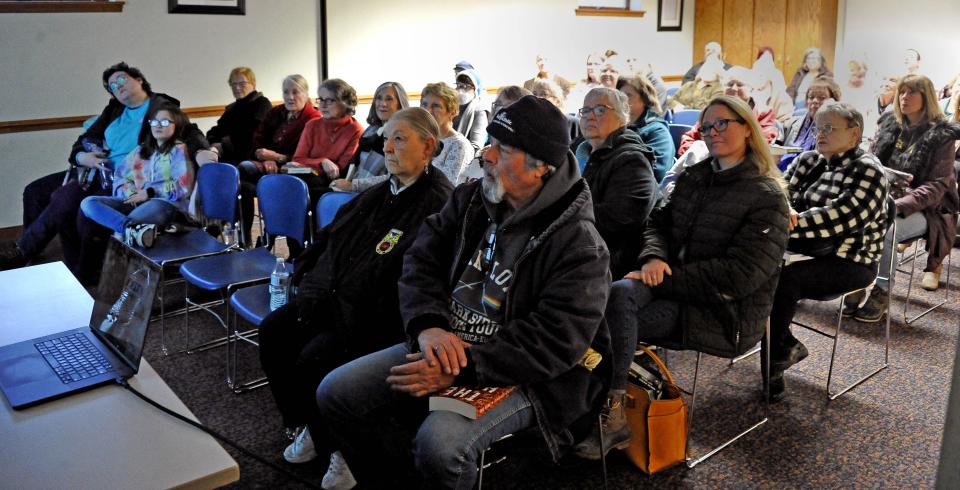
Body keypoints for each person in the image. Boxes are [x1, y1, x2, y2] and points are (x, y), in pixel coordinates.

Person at [315, 96, 612, 489]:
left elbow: (555, 342)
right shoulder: (472, 199)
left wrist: (461, 367)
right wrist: (428, 326)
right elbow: (420, 262)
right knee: (336, 392)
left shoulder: (579, 244)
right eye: (490, 142)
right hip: (443, 344)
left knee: (440, 445)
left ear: (541, 167)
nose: (486, 155)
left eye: (502, 149)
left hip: (520, 373)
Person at [581, 95, 789, 458]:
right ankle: (611, 410)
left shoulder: (767, 196)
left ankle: (606, 412)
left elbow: (739, 277)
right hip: (672, 286)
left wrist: (664, 276)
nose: (712, 132)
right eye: (706, 126)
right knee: (614, 296)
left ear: (747, 128)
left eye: (722, 123)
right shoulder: (696, 176)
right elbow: (656, 222)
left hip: (722, 311)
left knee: (606, 324)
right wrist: (653, 257)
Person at [257, 107, 453, 488]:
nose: (389, 148)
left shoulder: (438, 200)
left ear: (428, 146)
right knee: (274, 332)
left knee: (315, 358)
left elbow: (415, 275)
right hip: (335, 300)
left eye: (400, 138)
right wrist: (307, 273)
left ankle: (343, 448)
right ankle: (313, 424)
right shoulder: (381, 191)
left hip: (381, 316)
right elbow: (332, 239)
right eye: (387, 139)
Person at [0, 62, 213, 277]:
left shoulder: (160, 106)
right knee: (34, 191)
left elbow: (191, 132)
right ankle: (30, 254)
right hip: (96, 169)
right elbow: (85, 139)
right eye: (111, 86)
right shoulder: (114, 109)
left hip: (127, 176)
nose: (116, 87)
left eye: (121, 79)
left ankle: (72, 268)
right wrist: (83, 156)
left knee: (65, 199)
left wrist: (203, 151)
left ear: (139, 80)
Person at [769, 102, 889, 400]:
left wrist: (786, 222)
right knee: (757, 267)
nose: (820, 133)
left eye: (829, 128)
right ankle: (781, 345)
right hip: (803, 246)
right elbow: (783, 196)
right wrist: (786, 214)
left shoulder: (869, 172)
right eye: (818, 127)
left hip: (849, 260)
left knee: (783, 280)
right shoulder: (808, 161)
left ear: (854, 134)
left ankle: (772, 365)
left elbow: (840, 220)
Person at [852, 75, 960, 319]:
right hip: (884, 200)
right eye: (902, 92)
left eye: (912, 93)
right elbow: (870, 165)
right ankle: (858, 280)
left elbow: (935, 188)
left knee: (886, 228)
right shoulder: (890, 124)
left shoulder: (942, 134)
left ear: (927, 97)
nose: (904, 98)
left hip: (928, 210)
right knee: (853, 218)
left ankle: (881, 289)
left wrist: (895, 205)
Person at [574, 87, 658, 279]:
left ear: (622, 118)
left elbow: (620, 219)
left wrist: (565, 217)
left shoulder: (631, 159)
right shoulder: (578, 152)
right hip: (580, 246)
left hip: (611, 259)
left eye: (600, 110)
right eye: (585, 111)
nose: (590, 117)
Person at [80, 105, 196, 243]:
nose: (158, 126)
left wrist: (149, 192)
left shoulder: (180, 151)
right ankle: (131, 229)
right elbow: (120, 176)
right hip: (136, 200)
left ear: (177, 125)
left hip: (165, 204)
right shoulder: (140, 151)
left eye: (164, 122)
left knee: (121, 234)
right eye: (154, 122)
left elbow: (183, 186)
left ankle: (128, 231)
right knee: (88, 203)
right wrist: (131, 192)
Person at [236, 74, 320, 247]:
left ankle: (273, 237)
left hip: (292, 170)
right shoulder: (275, 112)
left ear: (306, 94)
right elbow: (257, 139)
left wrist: (276, 158)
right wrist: (264, 156)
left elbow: (302, 155)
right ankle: (245, 237)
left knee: (278, 188)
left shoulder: (312, 119)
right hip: (267, 166)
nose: (290, 97)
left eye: (295, 92)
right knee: (241, 175)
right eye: (286, 92)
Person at [287, 78, 363, 205]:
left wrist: (311, 164)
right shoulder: (312, 125)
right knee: (287, 184)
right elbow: (298, 159)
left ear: (344, 103)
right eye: (321, 99)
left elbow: (339, 170)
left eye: (329, 100)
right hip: (308, 178)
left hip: (334, 183)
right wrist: (322, 161)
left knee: (300, 191)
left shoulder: (355, 130)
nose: (322, 105)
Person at [677, 66, 779, 157]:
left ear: (751, 88)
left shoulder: (764, 113)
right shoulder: (712, 112)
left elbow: (761, 147)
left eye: (740, 84)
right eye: (729, 84)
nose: (734, 89)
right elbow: (689, 138)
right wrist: (698, 157)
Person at [330, 81, 409, 193]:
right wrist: (342, 182)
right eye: (379, 98)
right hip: (354, 189)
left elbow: (395, 178)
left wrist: (353, 185)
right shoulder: (371, 130)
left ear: (400, 104)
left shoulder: (402, 136)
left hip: (376, 195)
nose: (383, 103)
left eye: (389, 99)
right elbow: (354, 164)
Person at [205, 67, 273, 165]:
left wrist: (222, 145)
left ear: (253, 84)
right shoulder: (232, 108)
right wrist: (214, 143)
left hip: (251, 158)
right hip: (230, 156)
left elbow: (252, 134)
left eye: (242, 83)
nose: (237, 88)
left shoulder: (262, 103)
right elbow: (216, 130)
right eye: (233, 84)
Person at [617, 75, 675, 180]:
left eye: (628, 95)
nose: (622, 100)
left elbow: (657, 172)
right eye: (620, 95)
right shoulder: (614, 129)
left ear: (645, 99)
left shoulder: (658, 132)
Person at [778, 77, 842, 170]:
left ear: (833, 101)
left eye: (822, 98)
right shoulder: (790, 124)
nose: (815, 101)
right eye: (811, 97)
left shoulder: (837, 131)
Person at [419, 82, 475, 184]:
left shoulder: (459, 145)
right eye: (424, 104)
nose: (428, 110)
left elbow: (447, 188)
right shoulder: (420, 138)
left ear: (452, 112)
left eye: (436, 106)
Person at [530, 77, 582, 150]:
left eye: (544, 94)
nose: (537, 97)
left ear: (557, 100)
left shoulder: (573, 123)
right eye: (534, 94)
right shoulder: (528, 123)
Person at [752, 48, 793, 124]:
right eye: (762, 60)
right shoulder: (748, 85)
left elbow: (785, 117)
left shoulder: (777, 83)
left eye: (768, 61)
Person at [452, 68, 488, 151]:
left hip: (465, 157)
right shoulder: (453, 106)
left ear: (475, 89)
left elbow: (476, 145)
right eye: (458, 85)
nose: (460, 90)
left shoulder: (479, 111)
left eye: (465, 86)